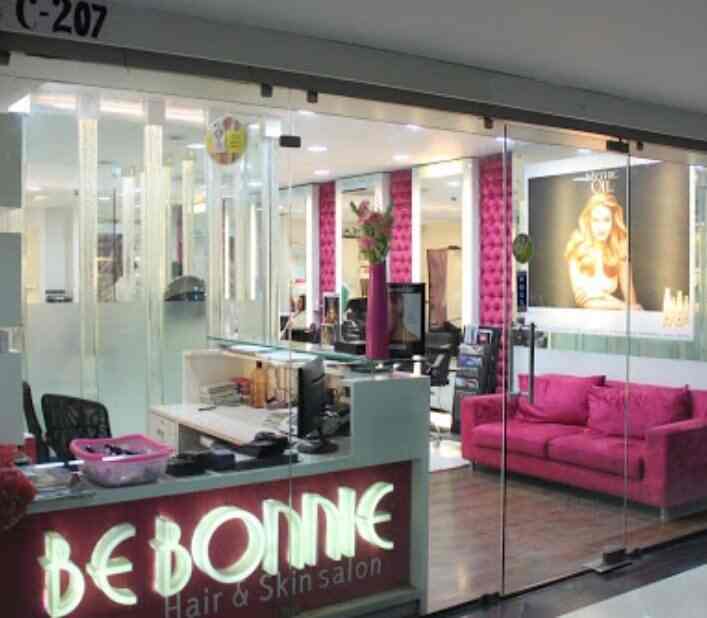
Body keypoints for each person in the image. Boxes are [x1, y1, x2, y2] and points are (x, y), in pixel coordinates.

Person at [564, 192, 641, 310]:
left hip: (613, 319)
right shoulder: (576, 248)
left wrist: (600, 295)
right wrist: (621, 305)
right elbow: (583, 301)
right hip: (584, 319)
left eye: (606, 220)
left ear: (613, 221)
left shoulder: (619, 249)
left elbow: (632, 304)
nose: (601, 227)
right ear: (588, 221)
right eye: (596, 220)